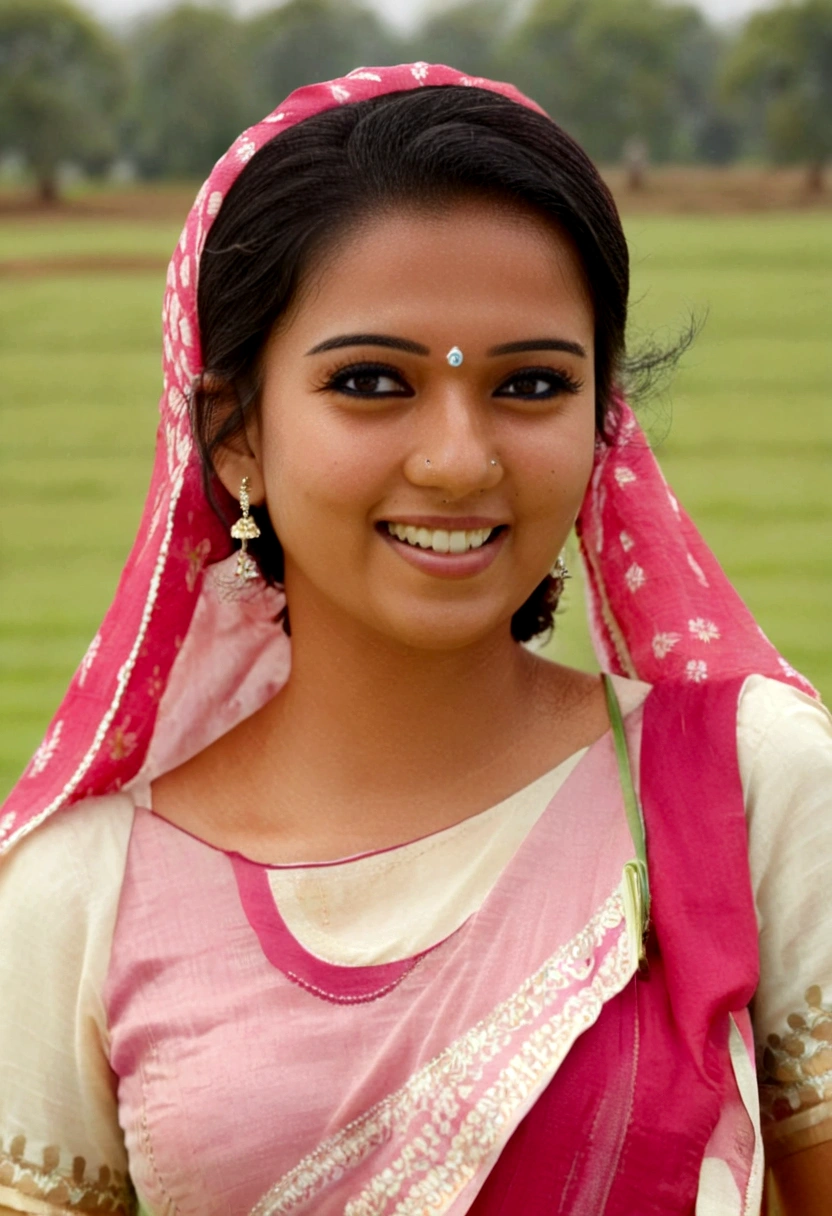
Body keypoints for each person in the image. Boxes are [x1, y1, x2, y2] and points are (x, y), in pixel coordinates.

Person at [0, 63, 829, 1216]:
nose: (457, 458)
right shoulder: (79, 895)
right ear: (233, 434)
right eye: (372, 381)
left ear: (601, 426)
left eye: (531, 383)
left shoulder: (744, 785)